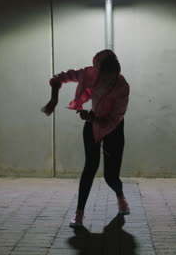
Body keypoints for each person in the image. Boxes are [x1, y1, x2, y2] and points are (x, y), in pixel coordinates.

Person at [41, 49, 130, 228]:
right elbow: (58, 79)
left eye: (113, 78)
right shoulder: (88, 75)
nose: (108, 82)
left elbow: (115, 117)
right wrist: (54, 99)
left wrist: (93, 119)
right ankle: (79, 214)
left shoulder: (122, 86)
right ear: (98, 72)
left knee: (110, 176)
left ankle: (121, 198)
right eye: (105, 78)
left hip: (114, 127)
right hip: (92, 123)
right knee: (90, 168)